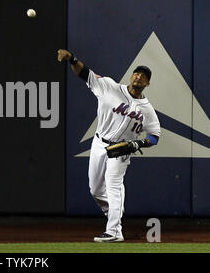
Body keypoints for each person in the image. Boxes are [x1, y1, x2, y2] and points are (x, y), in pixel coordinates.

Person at [57, 49, 161, 242]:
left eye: (144, 76)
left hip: (121, 150)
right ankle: (114, 213)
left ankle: (114, 231)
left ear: (147, 83)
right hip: (98, 143)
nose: (139, 76)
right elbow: (84, 73)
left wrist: (137, 143)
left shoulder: (148, 110)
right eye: (137, 73)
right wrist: (72, 58)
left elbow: (155, 136)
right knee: (95, 189)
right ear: (131, 76)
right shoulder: (109, 86)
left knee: (114, 186)